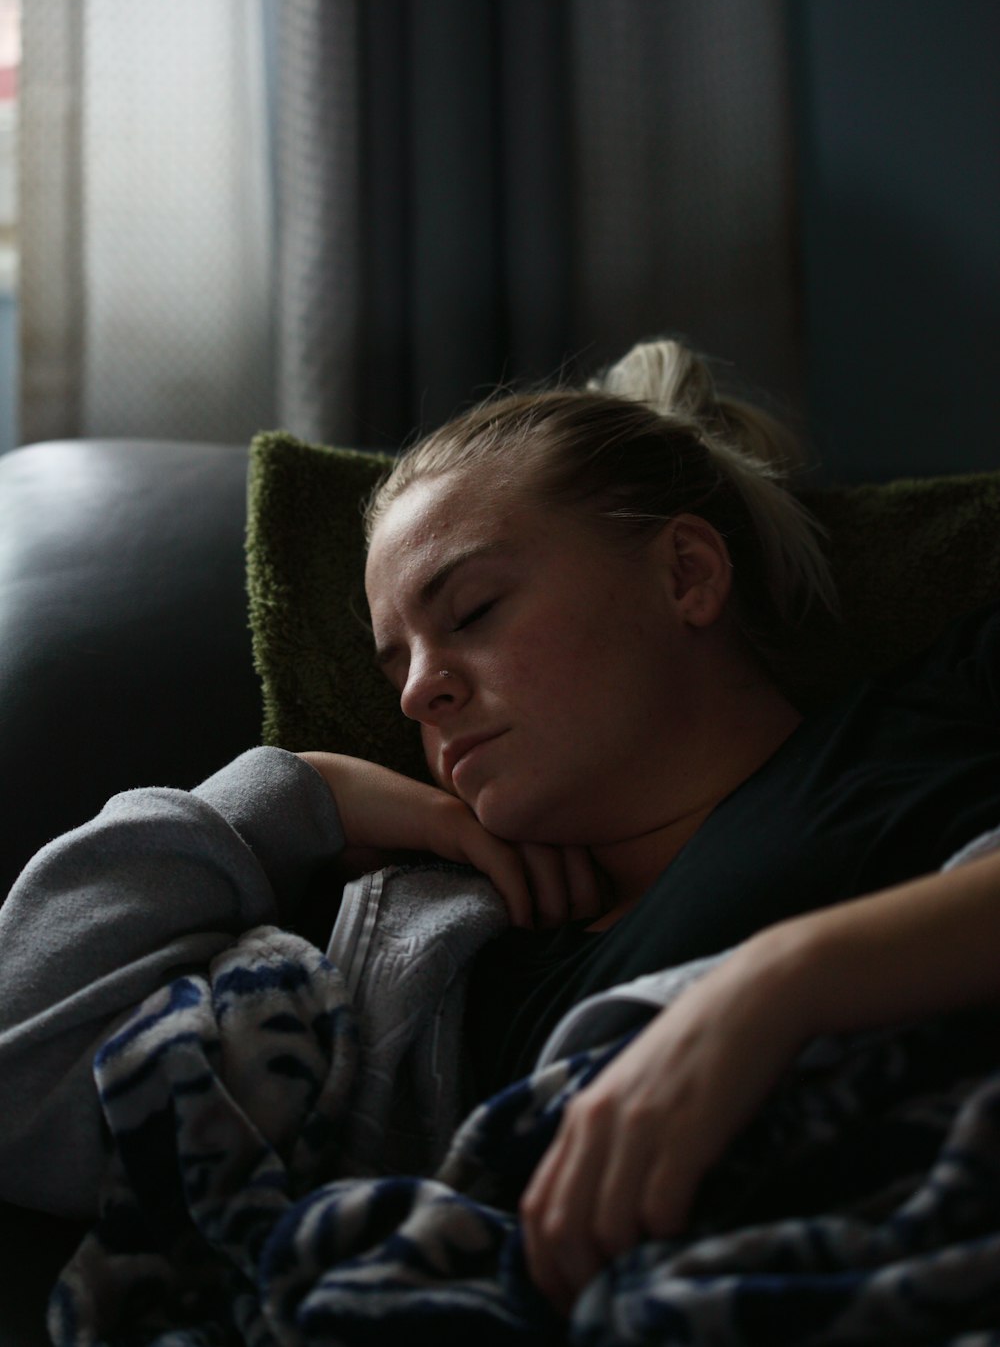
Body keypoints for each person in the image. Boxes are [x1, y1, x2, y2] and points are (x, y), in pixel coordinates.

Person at [2, 337, 1000, 1320]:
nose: (418, 693)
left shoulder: (927, 718)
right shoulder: (438, 963)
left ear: (685, 575)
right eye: (395, 666)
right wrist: (299, 794)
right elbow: (24, 1069)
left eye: (471, 610)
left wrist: (782, 985)